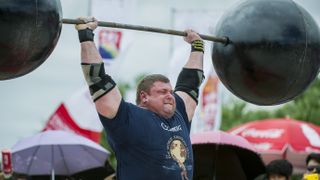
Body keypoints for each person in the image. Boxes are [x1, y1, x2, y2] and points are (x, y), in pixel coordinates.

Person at [74, 17, 205, 180]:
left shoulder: (179, 112)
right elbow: (97, 79)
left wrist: (197, 46)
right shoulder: (127, 118)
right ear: (144, 97)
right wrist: (86, 35)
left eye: (171, 91)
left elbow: (191, 81)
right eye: (162, 92)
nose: (170, 96)